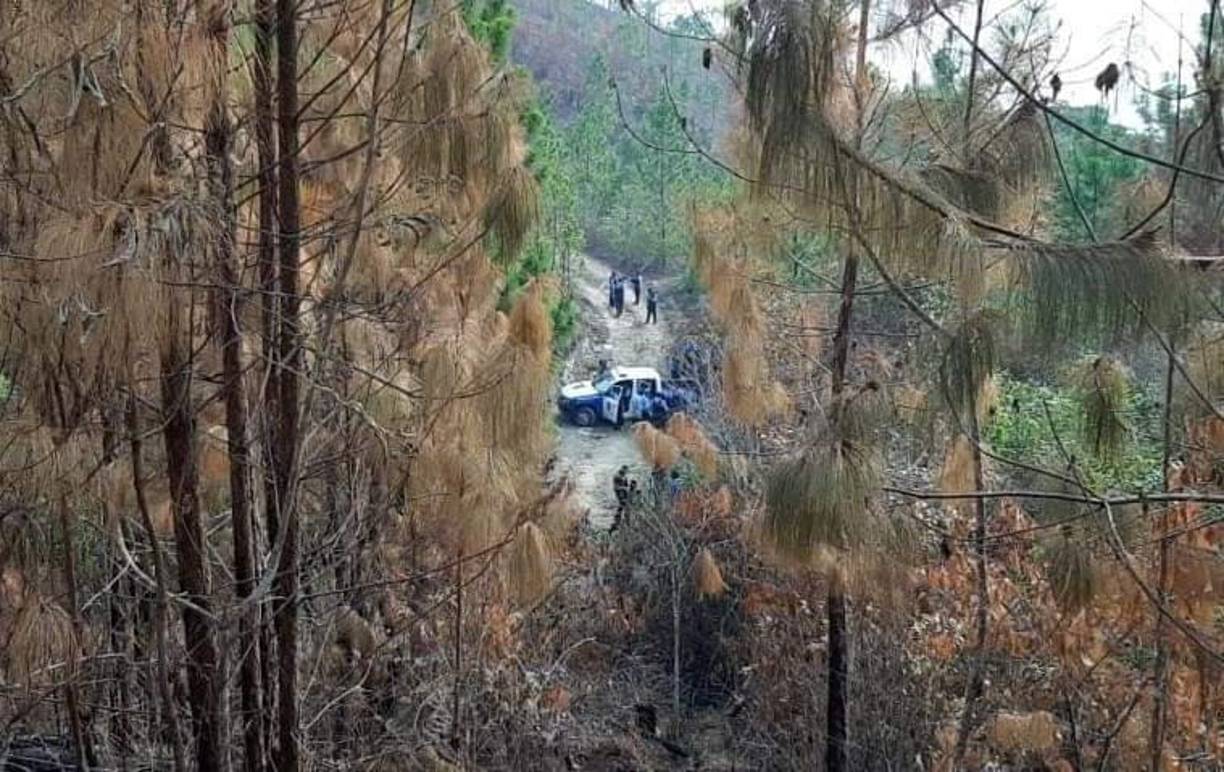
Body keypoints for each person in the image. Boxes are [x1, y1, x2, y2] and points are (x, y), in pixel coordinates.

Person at [612, 465, 631, 530]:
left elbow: (626, 485)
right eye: (626, 470)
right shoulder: (617, 476)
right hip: (620, 493)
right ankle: (619, 518)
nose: (626, 472)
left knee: (622, 505)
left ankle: (620, 518)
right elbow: (615, 487)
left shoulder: (624, 476)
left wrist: (627, 488)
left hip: (624, 493)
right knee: (622, 504)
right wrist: (624, 488)